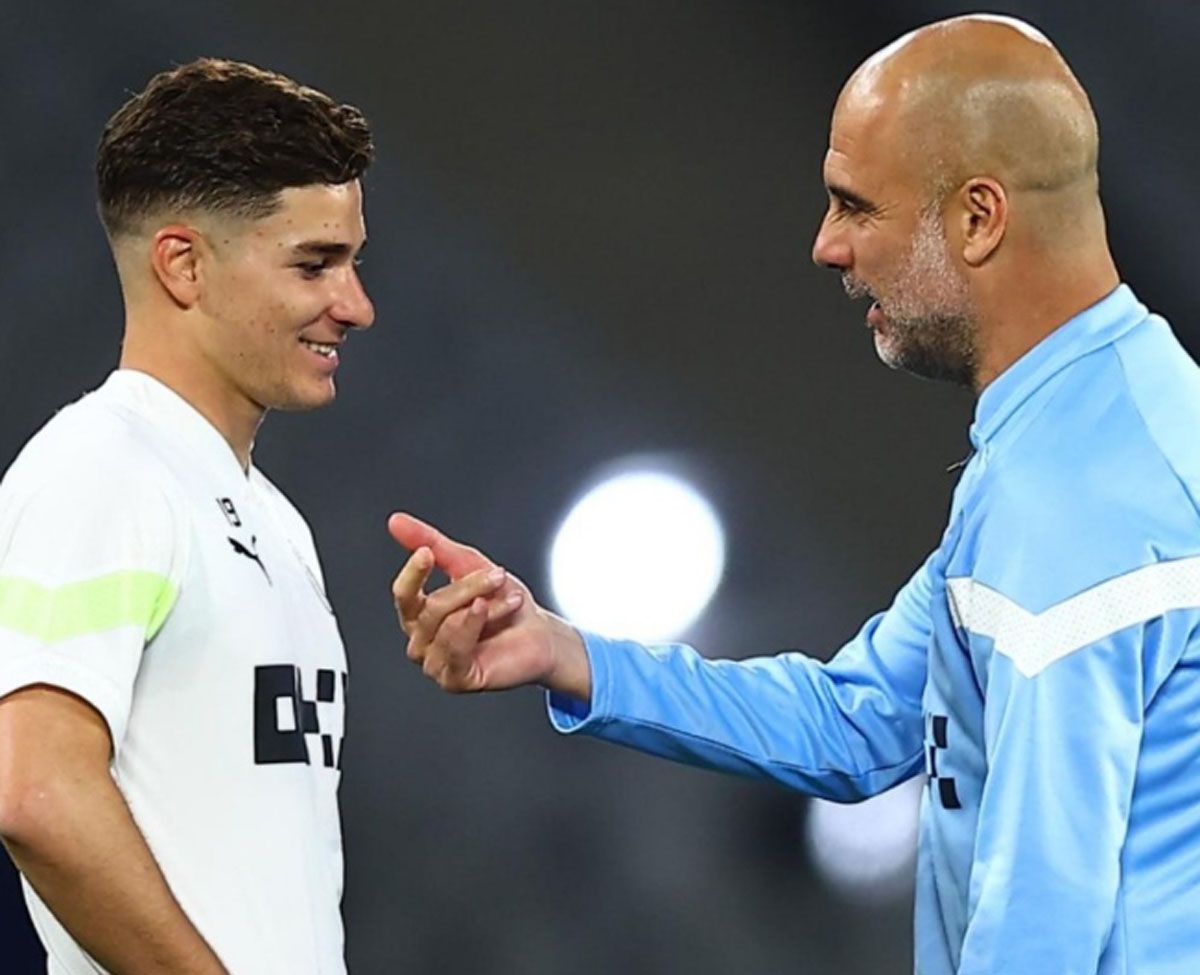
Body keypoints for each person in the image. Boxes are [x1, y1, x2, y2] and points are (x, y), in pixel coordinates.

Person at [389, 15, 1200, 975]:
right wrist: (567, 653)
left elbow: (1044, 920)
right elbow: (857, 719)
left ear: (979, 218)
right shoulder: (1096, 418)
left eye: (856, 206)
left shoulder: (1078, 501)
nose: (826, 246)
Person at [0, 59, 374, 974]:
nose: (356, 306)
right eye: (315, 264)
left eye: (354, 262)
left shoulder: (276, 521)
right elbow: (34, 790)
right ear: (183, 264)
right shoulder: (99, 468)